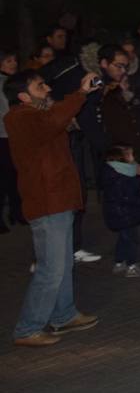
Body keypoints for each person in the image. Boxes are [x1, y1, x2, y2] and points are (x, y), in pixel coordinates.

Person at [7, 68, 103, 347]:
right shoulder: (19, 117)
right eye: (40, 86)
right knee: (51, 268)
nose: (48, 88)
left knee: (62, 264)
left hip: (57, 197)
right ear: (23, 96)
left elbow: (54, 122)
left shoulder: (35, 115)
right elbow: (52, 122)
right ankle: (27, 328)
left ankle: (64, 314)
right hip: (47, 201)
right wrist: (80, 93)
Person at [101, 145, 140, 278]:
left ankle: (119, 262)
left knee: (124, 237)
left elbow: (135, 184)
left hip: (122, 212)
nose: (133, 158)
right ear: (121, 159)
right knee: (131, 239)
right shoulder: (119, 175)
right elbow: (124, 196)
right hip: (124, 213)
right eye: (130, 155)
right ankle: (131, 266)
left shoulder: (122, 171)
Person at [0, 51, 22, 231]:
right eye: (9, 61)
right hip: (3, 136)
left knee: (15, 176)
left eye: (15, 60)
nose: (13, 63)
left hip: (14, 135)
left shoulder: (15, 81)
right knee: (4, 178)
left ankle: (17, 212)